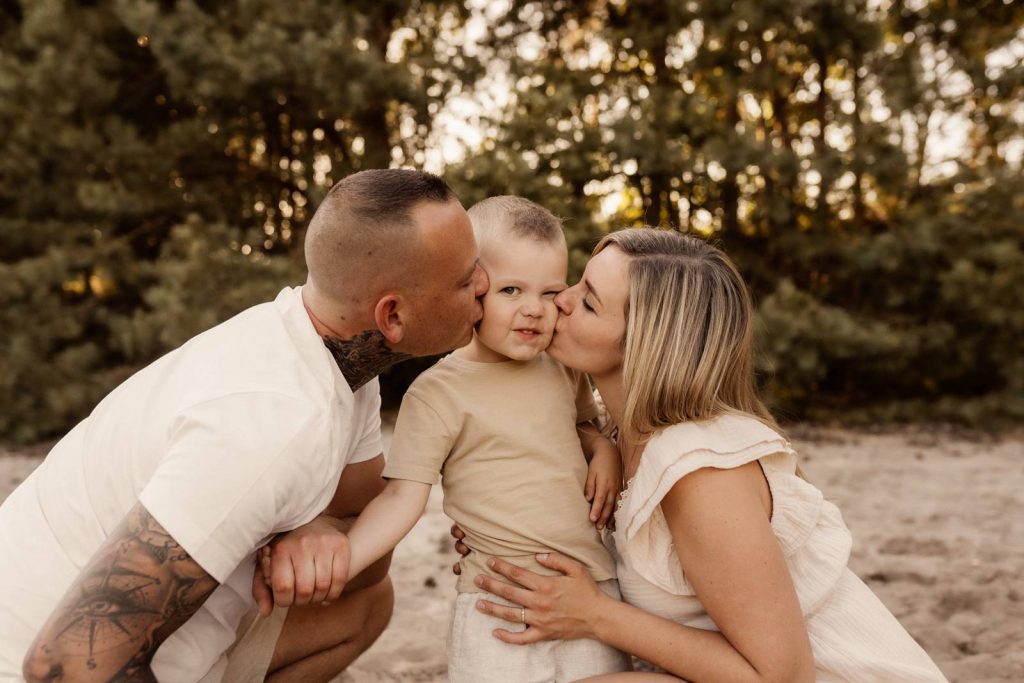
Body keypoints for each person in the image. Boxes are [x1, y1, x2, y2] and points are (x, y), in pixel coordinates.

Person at [0, 169, 489, 682]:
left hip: (112, 644)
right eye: (464, 278)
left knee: (364, 605)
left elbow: (367, 562)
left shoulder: (334, 361)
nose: (484, 283)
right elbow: (66, 667)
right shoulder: (272, 423)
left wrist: (314, 528)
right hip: (46, 662)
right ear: (391, 316)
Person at [464, 227, 948, 681]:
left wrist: (596, 616)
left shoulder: (700, 469)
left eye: (588, 303)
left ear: (644, 345)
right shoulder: (621, 441)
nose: (559, 301)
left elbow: (783, 677)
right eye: (576, 285)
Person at [317, 196, 631, 682]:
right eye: (511, 290)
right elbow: (402, 495)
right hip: (497, 601)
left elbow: (580, 426)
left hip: (592, 590)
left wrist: (604, 448)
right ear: (474, 288)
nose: (533, 310)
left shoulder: (563, 368)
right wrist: (345, 561)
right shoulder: (438, 394)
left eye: (551, 293)